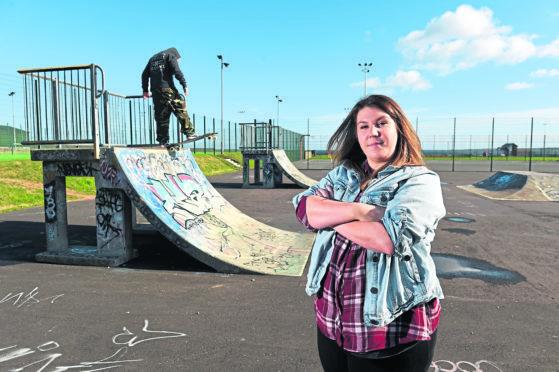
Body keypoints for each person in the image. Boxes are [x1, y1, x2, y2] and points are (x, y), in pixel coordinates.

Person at [293, 95, 445, 371]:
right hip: (333, 321)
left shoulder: (419, 181)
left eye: (381, 123)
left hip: (390, 328)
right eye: (363, 126)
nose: (372, 132)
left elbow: (387, 239)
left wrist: (331, 217)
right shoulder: (344, 174)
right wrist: (359, 211)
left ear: (398, 128)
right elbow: (304, 209)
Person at [141, 47, 196, 147]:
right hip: (167, 88)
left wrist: (145, 90)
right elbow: (176, 70)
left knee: (161, 115)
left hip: (156, 91)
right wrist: (184, 84)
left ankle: (163, 140)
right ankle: (190, 132)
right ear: (177, 56)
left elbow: (144, 75)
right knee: (179, 107)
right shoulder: (170, 55)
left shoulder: (153, 58)